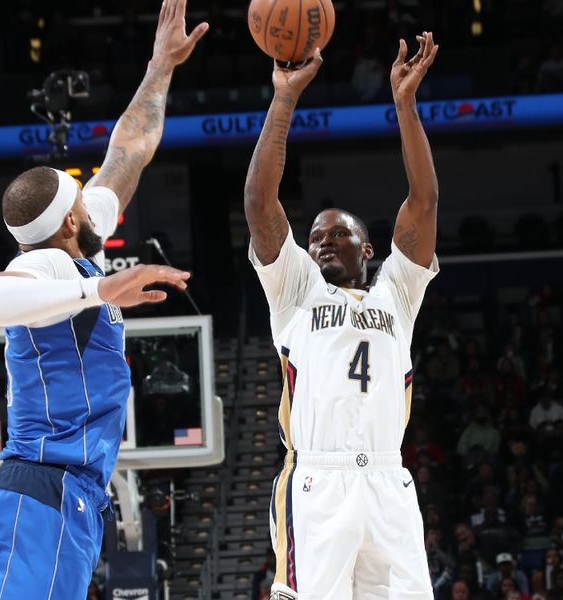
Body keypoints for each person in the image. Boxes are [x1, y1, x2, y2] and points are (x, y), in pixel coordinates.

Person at [0, 2, 208, 598]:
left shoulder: (78, 238)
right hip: (38, 489)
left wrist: (160, 67)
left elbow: (129, 152)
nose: (93, 192)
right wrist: (97, 290)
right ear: (70, 219)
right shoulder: (47, 264)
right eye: (82, 191)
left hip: (67, 495)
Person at [244, 29, 440, 599]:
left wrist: (405, 107)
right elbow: (260, 203)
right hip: (318, 480)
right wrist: (283, 99)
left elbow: (423, 202)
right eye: (314, 237)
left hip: (386, 478)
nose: (322, 242)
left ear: (369, 248)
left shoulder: (397, 293)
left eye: (338, 234)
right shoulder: (296, 288)